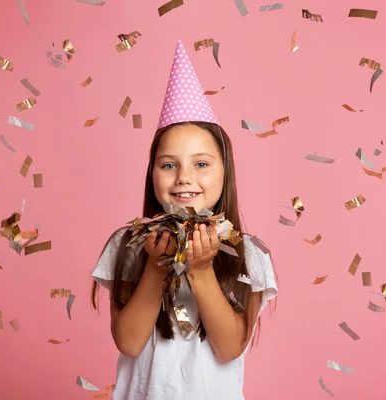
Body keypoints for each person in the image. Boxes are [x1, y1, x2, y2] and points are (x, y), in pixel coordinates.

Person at [91, 39, 278, 400]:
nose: (184, 177)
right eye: (168, 164)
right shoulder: (127, 245)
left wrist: (201, 268)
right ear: (153, 173)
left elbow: (229, 348)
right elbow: (129, 342)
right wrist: (158, 267)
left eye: (202, 163)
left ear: (226, 172)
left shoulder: (251, 254)